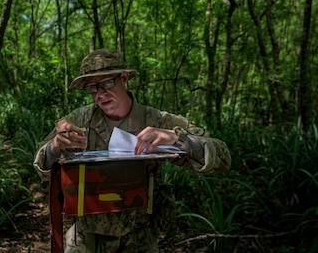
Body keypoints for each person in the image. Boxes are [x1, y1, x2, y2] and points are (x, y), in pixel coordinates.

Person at [34, 49, 231, 252]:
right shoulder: (79, 120)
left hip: (139, 237)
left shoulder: (156, 120)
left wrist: (179, 139)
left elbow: (222, 157)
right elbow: (41, 165)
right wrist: (54, 147)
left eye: (106, 83)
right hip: (86, 236)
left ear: (124, 78)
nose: (100, 94)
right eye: (92, 88)